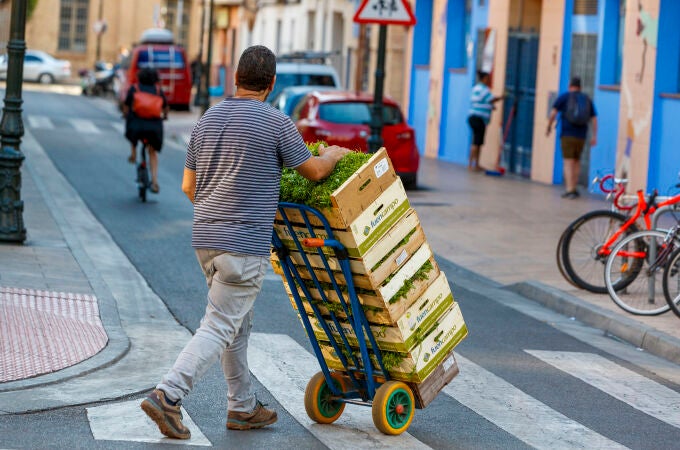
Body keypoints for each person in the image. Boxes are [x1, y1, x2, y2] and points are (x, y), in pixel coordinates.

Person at [140, 45, 350, 439]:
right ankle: (168, 395)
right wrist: (335, 154)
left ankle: (242, 406)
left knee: (236, 324)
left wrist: (216, 213)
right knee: (220, 325)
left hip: (206, 240)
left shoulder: (206, 120)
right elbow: (314, 171)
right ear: (271, 84)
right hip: (243, 244)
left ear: (235, 79)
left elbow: (189, 185)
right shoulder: (276, 123)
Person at [546, 77, 598, 199]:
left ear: (570, 86)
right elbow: (594, 119)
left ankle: (570, 189)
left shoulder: (564, 97)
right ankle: (574, 186)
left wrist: (548, 126)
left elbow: (553, 113)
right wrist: (594, 136)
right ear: (580, 87)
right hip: (581, 135)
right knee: (577, 161)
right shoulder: (586, 99)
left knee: (568, 161)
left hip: (567, 134)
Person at [123, 67, 168, 194]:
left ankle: (133, 154)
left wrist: (126, 114)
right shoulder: (158, 91)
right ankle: (154, 181)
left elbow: (126, 106)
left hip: (137, 126)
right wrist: (165, 116)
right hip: (154, 127)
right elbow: (165, 107)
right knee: (152, 152)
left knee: (132, 127)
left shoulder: (135, 88)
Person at [467, 71, 504, 171]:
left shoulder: (475, 88)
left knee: (478, 142)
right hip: (479, 119)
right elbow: (491, 99)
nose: (489, 80)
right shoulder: (484, 89)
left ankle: (475, 164)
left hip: (473, 117)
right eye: (487, 78)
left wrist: (490, 107)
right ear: (484, 79)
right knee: (476, 142)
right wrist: (502, 97)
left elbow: (482, 102)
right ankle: (472, 165)